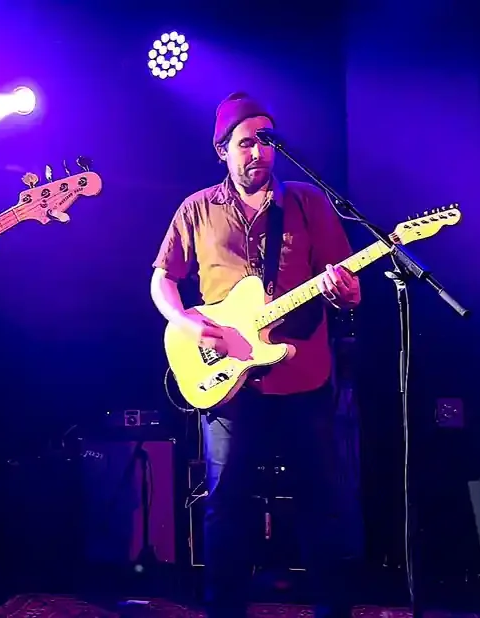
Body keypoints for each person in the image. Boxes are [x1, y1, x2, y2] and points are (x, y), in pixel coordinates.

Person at [150, 92, 362, 618]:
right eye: (246, 143)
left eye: (267, 142)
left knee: (321, 502)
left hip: (303, 373)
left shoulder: (309, 202)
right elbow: (163, 279)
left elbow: (348, 285)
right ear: (222, 149)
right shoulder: (196, 209)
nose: (258, 152)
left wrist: (345, 292)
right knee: (227, 504)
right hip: (228, 382)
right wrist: (185, 321)